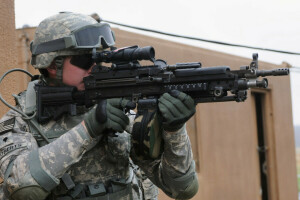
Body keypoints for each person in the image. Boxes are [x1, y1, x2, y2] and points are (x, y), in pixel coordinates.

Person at [0, 12, 198, 200]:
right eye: (87, 59)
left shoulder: (117, 111)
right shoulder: (20, 122)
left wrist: (175, 131)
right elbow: (23, 189)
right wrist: (88, 130)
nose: (97, 66)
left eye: (102, 57)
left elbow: (182, 188)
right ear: (52, 65)